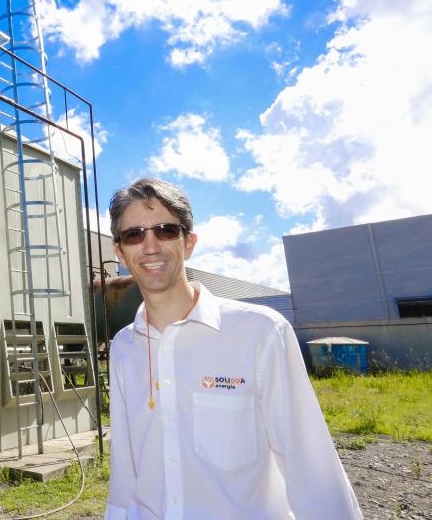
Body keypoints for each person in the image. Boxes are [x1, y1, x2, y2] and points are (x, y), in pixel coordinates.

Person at [104, 178, 361, 519]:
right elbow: (125, 468)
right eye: (134, 234)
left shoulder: (260, 332)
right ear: (120, 252)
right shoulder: (124, 347)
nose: (150, 246)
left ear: (189, 242)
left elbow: (310, 466)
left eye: (165, 230)